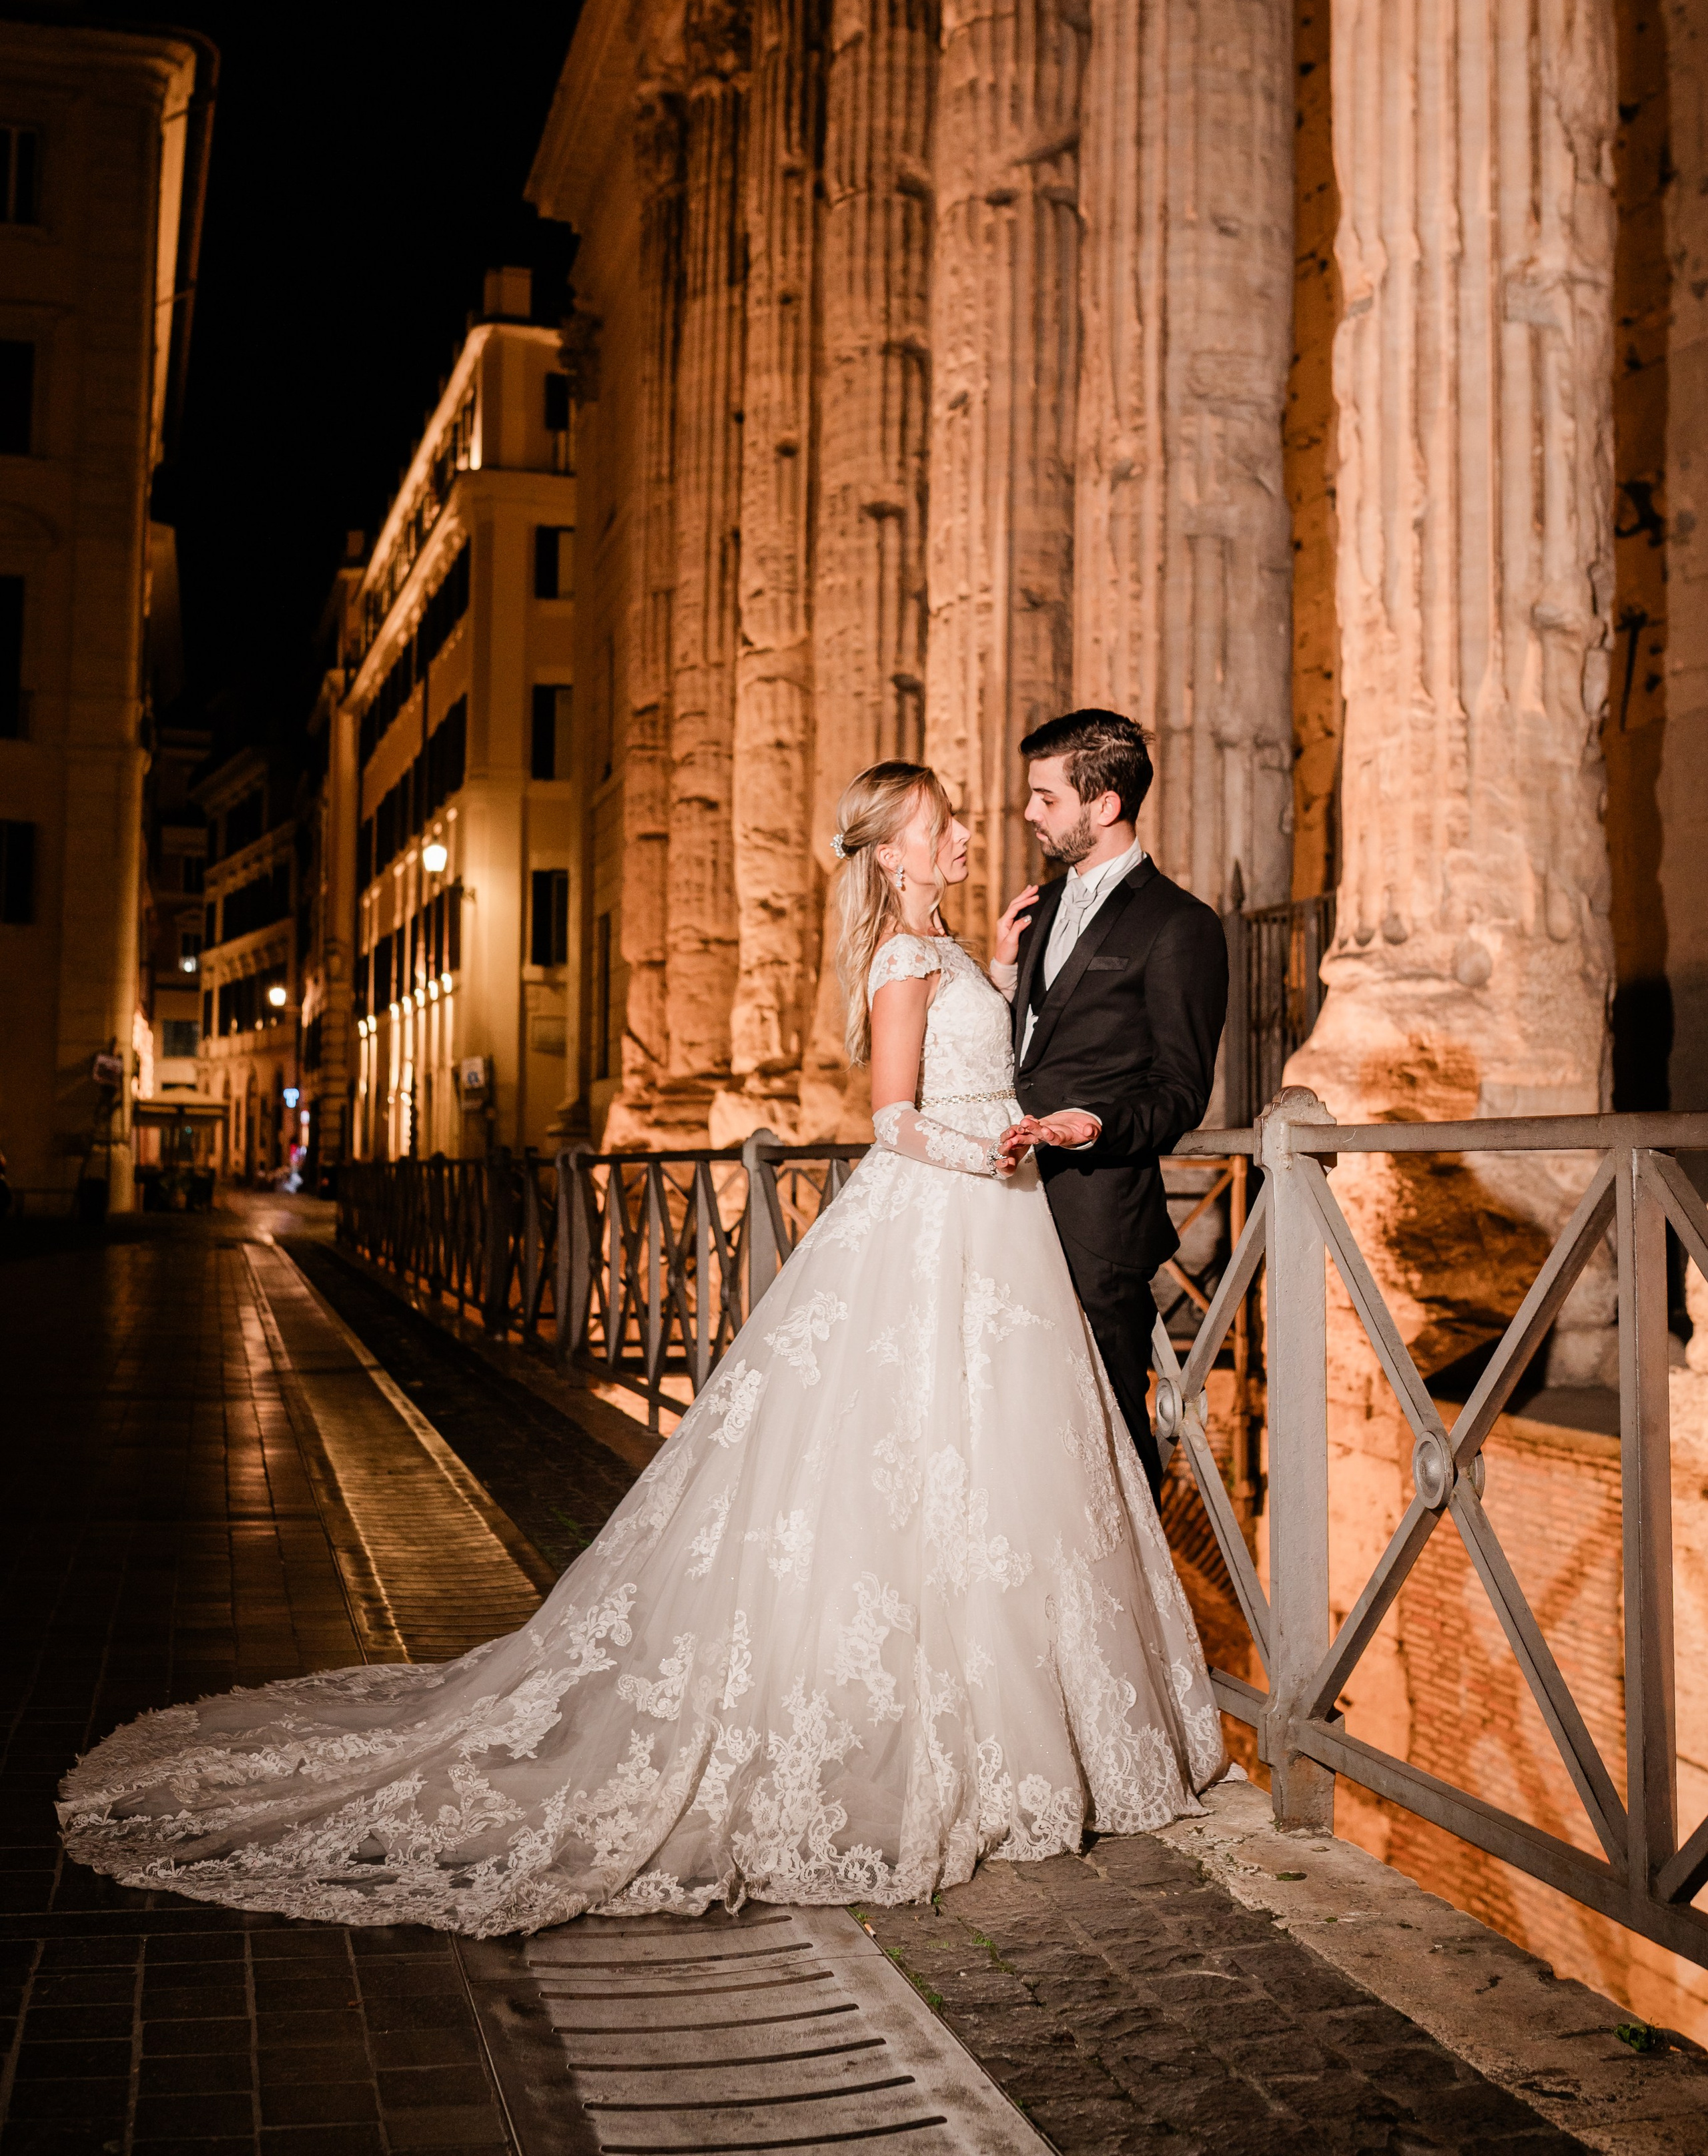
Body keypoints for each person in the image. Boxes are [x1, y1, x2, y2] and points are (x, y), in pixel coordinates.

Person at [59, 762, 1222, 1936]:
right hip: (950, 1208)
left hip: (994, 1228)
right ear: (893, 855)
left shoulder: (960, 947)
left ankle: (995, 1714)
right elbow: (890, 1116)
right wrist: (990, 1154)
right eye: (941, 824)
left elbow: (981, 1060)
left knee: (983, 1468)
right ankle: (921, 1724)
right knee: (902, 1459)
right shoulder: (905, 959)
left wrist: (1012, 980)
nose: (970, 832)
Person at [993, 711, 1229, 1505]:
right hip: (1002, 1207)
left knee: (1112, 1443)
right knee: (1014, 1432)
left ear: (1103, 804)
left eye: (1045, 798)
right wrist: (997, 981)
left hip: (1096, 1217)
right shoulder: (1034, 907)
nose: (1029, 813)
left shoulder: (1181, 925)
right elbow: (1024, 1045)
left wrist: (1094, 1123)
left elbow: (1180, 1089)